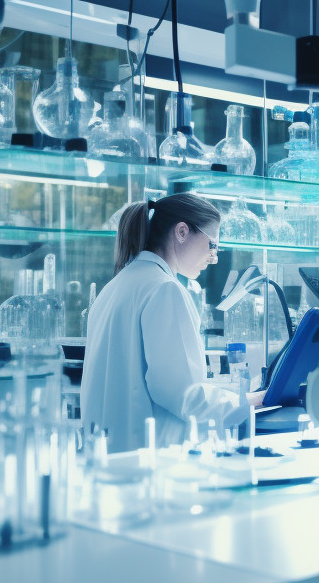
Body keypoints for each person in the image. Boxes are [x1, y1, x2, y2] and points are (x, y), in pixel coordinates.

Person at [82, 193, 264, 452]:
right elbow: (182, 393)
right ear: (182, 231)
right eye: (212, 245)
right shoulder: (165, 289)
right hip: (149, 461)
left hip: (109, 457)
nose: (214, 258)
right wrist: (245, 402)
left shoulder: (114, 288)